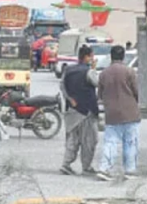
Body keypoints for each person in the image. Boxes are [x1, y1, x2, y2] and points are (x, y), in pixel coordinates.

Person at [96, 45, 140, 181]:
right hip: (130, 113)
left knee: (110, 142)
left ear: (111, 56)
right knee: (130, 143)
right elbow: (136, 91)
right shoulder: (129, 72)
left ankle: (104, 169)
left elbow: (100, 95)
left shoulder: (103, 74)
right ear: (123, 56)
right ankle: (129, 170)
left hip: (112, 114)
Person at [59, 45, 100, 176]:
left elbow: (62, 86)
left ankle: (66, 164)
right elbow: (97, 82)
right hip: (86, 111)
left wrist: (70, 99)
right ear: (87, 57)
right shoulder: (88, 71)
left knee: (72, 140)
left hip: (72, 111)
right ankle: (86, 167)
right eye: (92, 56)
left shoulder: (68, 70)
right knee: (89, 140)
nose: (93, 59)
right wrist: (93, 69)